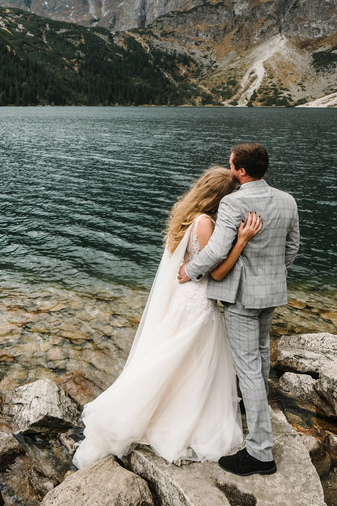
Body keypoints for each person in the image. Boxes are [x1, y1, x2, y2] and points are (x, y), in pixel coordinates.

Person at [73, 167, 262, 469]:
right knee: (191, 360)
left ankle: (160, 407)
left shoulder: (188, 213)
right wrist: (241, 241)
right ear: (221, 198)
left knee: (177, 357)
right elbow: (215, 272)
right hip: (198, 302)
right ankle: (176, 416)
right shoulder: (205, 223)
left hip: (183, 297)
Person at [178, 142, 300, 476]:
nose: (230, 168)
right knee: (260, 356)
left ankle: (260, 453)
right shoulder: (288, 200)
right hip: (271, 294)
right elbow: (292, 248)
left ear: (241, 171)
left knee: (248, 368)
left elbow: (217, 251)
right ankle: (253, 407)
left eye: (232, 164)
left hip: (241, 298)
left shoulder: (233, 202)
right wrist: (271, 273)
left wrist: (190, 271)